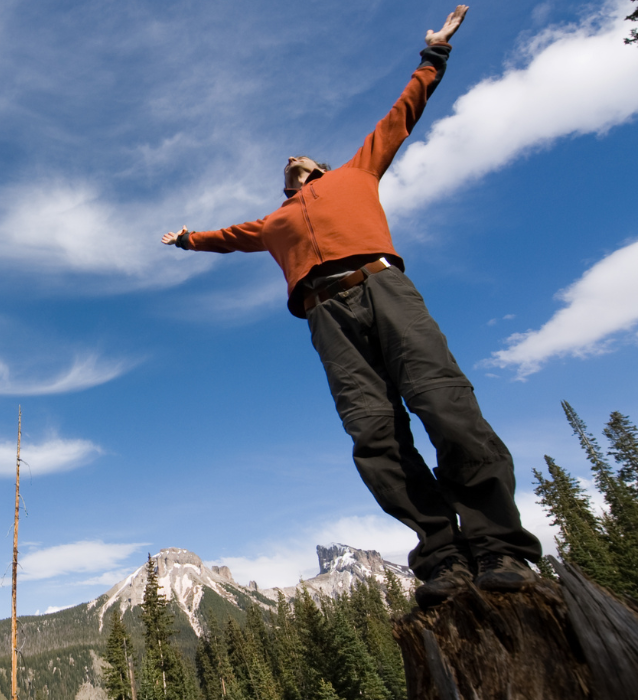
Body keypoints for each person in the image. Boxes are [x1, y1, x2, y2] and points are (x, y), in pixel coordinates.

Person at [161, 6, 541, 607]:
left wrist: (433, 56)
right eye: (285, 168)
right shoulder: (273, 221)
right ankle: (442, 556)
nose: (291, 159)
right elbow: (226, 236)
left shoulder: (359, 171)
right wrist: (187, 240)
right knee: (374, 435)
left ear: (320, 168)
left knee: (444, 403)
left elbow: (402, 116)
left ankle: (498, 545)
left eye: (302, 158)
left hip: (384, 288)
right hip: (326, 317)